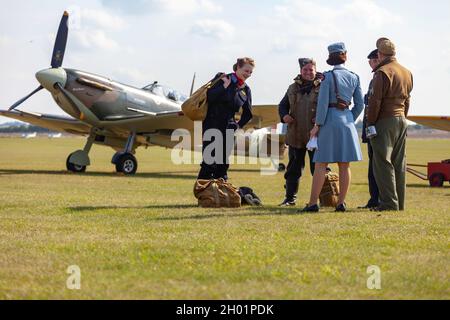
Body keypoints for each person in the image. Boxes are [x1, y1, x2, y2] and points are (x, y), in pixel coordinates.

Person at [301, 42, 364, 213]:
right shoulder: (354, 76)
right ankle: (341, 203)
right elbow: (360, 104)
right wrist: (350, 117)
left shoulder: (326, 77)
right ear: (345, 55)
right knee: (345, 165)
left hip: (328, 120)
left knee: (321, 164)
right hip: (347, 122)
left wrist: (317, 125)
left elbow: (322, 104)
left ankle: (313, 203)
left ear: (330, 57)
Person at [367, 38, 413, 211]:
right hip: (402, 120)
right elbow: (408, 100)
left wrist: (371, 123)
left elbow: (375, 101)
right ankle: (399, 203)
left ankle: (388, 203)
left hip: (384, 121)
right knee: (399, 163)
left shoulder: (382, 72)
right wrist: (403, 118)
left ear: (380, 54)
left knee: (382, 162)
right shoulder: (406, 72)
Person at [197, 57, 254, 181]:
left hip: (229, 128)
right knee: (209, 161)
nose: (248, 74)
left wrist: (237, 126)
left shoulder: (246, 89)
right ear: (238, 67)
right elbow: (209, 97)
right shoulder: (222, 78)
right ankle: (202, 192)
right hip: (212, 125)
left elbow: (248, 113)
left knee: (222, 164)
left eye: (250, 72)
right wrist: (224, 86)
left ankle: (220, 193)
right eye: (246, 70)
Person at [278, 58, 322, 206]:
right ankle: (290, 198)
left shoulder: (323, 87)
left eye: (311, 70)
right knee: (293, 169)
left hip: (316, 136)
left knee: (319, 168)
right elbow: (282, 105)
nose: (308, 72)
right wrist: (284, 115)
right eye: (305, 70)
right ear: (300, 71)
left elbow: (329, 106)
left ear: (315, 70)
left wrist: (321, 118)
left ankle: (322, 198)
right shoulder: (292, 88)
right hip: (295, 135)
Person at [358, 49, 380, 209]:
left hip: (377, 128)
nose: (371, 65)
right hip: (370, 127)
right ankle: (374, 199)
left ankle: (378, 199)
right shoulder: (375, 78)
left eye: (372, 61)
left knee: (377, 166)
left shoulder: (380, 77)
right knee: (373, 165)